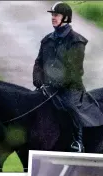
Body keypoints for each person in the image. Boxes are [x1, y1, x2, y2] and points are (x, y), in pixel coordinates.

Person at [33, 2, 88, 152]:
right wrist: (37, 78)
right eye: (52, 15)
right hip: (48, 86)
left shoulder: (77, 41)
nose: (53, 17)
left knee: (70, 107)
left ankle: (78, 141)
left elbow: (74, 70)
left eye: (56, 15)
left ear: (66, 18)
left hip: (70, 87)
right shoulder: (47, 40)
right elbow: (39, 62)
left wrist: (59, 83)